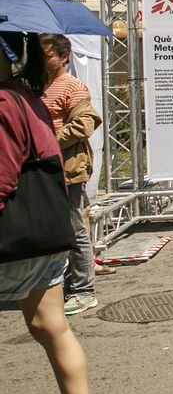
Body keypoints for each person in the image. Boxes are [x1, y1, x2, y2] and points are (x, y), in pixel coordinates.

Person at [0, 31, 100, 394]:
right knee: (50, 324)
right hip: (41, 227)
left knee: (52, 324)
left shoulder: (9, 100)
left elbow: (3, 177)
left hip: (18, 232)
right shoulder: (28, 95)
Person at [39, 35, 103, 316]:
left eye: (48, 55)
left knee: (75, 228)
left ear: (64, 57)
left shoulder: (73, 86)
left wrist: (48, 140)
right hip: (42, 168)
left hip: (67, 168)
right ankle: (57, 283)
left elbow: (83, 125)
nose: (44, 60)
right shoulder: (37, 86)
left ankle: (83, 290)